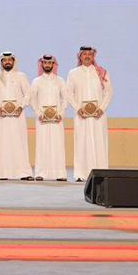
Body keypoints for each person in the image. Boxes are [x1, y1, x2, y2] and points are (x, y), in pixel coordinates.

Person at [66, 46, 113, 182]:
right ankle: (81, 174)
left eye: (89, 54)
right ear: (80, 56)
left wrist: (102, 108)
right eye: (84, 54)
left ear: (93, 56)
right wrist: (77, 108)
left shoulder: (102, 73)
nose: (87, 56)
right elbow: (69, 93)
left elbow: (109, 92)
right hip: (81, 116)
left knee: (100, 143)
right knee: (81, 143)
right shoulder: (73, 73)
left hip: (99, 115)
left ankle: (102, 172)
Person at [0, 52, 33, 181]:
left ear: (14, 61)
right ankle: (0, 173)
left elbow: (28, 94)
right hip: (0, 116)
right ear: (1, 62)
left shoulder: (21, 76)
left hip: (18, 117)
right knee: (1, 143)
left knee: (19, 143)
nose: (7, 62)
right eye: (4, 60)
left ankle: (23, 173)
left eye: (9, 60)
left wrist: (21, 107)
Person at [29, 55, 68, 181]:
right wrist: (39, 114)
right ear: (42, 64)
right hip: (42, 120)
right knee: (42, 145)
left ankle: (60, 174)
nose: (47, 65)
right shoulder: (36, 81)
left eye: (49, 63)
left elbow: (65, 99)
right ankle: (40, 173)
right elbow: (32, 100)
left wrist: (60, 114)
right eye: (45, 62)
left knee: (58, 145)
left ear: (53, 64)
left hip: (57, 120)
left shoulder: (60, 81)